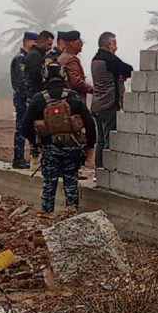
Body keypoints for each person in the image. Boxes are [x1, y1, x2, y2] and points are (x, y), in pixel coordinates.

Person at [22, 62, 96, 213]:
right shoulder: (74, 97)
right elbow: (89, 123)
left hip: (49, 148)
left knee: (49, 185)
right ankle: (72, 214)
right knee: (71, 183)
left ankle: (46, 215)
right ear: (63, 75)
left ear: (45, 76)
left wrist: (36, 144)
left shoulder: (38, 99)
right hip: (72, 148)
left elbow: (25, 127)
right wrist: (89, 145)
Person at [90, 31, 133, 169]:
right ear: (110, 44)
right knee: (109, 141)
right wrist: (121, 74)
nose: (116, 47)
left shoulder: (95, 59)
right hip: (108, 105)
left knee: (100, 141)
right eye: (115, 43)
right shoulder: (109, 59)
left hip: (97, 105)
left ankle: (98, 169)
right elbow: (128, 69)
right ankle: (108, 169)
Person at [58, 30, 96, 177]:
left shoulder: (63, 57)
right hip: (74, 103)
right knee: (76, 135)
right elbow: (75, 82)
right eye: (79, 43)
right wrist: (92, 89)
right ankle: (72, 169)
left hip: (65, 102)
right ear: (71, 44)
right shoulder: (71, 60)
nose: (81, 45)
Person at [10, 32, 37, 169]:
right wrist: (28, 96)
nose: (35, 45)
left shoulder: (28, 58)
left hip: (26, 97)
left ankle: (24, 158)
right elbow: (21, 82)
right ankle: (18, 158)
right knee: (21, 127)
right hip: (22, 98)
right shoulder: (21, 59)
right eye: (33, 42)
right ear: (26, 42)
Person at [25, 30, 55, 98]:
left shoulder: (39, 55)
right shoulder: (34, 55)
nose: (50, 47)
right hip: (35, 94)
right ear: (41, 42)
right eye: (49, 44)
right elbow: (37, 75)